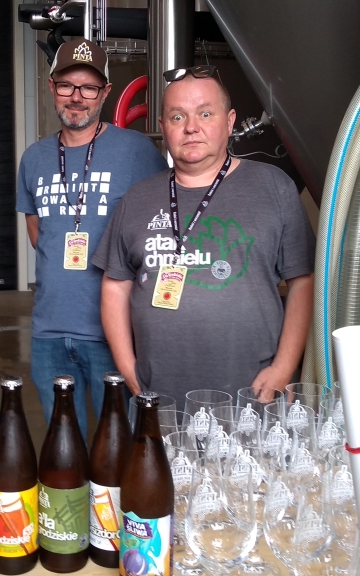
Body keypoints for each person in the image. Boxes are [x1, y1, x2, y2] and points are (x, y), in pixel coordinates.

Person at [93, 65, 314, 404]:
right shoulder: (137, 198)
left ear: (229, 121)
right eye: (177, 117)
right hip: (159, 396)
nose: (191, 127)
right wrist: (129, 370)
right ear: (163, 127)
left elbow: (303, 281)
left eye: (205, 113)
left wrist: (284, 368)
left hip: (252, 394)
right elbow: (115, 287)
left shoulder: (273, 187)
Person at [17, 38, 167, 436]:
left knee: (117, 444)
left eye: (88, 88)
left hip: (112, 333)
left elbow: (163, 227)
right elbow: (38, 232)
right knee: (63, 443)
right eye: (67, 85)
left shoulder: (137, 152)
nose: (76, 97)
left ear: (105, 92)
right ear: (52, 87)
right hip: (49, 331)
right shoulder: (34, 158)